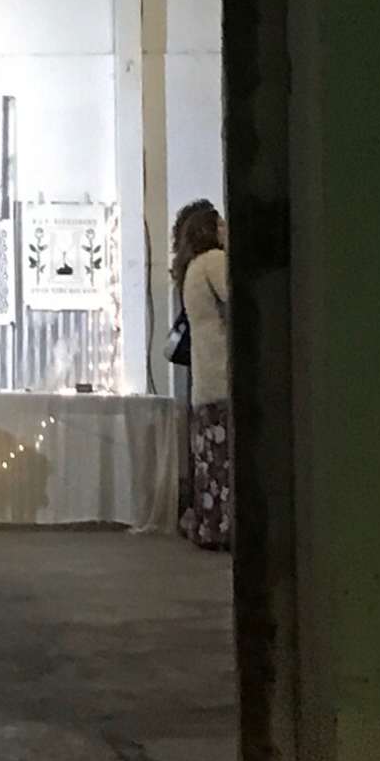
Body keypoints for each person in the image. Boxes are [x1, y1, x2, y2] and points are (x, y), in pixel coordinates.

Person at [173, 200, 235, 552]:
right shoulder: (214, 262)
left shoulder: (192, 269)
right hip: (223, 375)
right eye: (221, 225)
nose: (226, 230)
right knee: (226, 461)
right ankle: (226, 527)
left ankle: (210, 525)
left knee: (210, 461)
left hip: (204, 380)